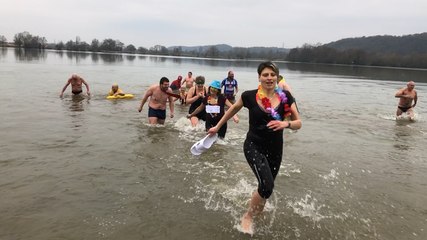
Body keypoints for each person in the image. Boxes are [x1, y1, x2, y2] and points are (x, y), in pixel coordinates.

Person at [207, 61, 301, 234]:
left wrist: (284, 124)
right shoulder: (249, 96)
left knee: (267, 187)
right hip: (253, 145)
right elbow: (232, 110)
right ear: (259, 77)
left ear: (277, 77)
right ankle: (248, 216)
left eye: (272, 75)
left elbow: (298, 123)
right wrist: (217, 127)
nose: (269, 78)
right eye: (265, 75)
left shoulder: (285, 97)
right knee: (266, 186)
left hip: (275, 149)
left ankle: (256, 204)